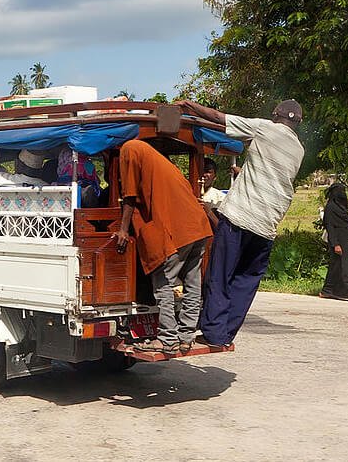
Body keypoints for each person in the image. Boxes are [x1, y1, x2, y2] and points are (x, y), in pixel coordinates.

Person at [176, 99, 305, 347]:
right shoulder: (298, 149)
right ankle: (225, 335)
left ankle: (213, 332)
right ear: (297, 123)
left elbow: (218, 117)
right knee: (245, 282)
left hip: (239, 218)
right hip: (267, 226)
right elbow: (270, 174)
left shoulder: (265, 128)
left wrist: (190, 106)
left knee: (220, 274)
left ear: (275, 114)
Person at [113, 140, 213, 354]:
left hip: (178, 231)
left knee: (163, 284)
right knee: (192, 283)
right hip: (198, 226)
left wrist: (123, 229)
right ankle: (186, 337)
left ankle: (168, 339)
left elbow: (129, 195)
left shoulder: (129, 150)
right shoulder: (157, 160)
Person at [320, 182, 348, 300]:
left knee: (339, 266)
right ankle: (345, 289)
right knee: (340, 265)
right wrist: (335, 244)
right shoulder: (330, 208)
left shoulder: (342, 207)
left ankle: (333, 291)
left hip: (345, 239)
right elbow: (330, 227)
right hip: (337, 240)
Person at [200, 158, 225, 229]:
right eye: (202, 171)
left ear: (215, 177)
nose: (204, 175)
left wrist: (208, 212)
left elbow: (221, 229)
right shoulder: (188, 192)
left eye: (208, 172)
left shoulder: (220, 197)